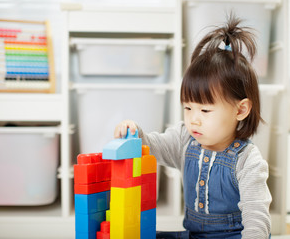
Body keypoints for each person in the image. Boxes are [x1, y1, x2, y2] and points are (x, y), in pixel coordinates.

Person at [114, 14, 272, 239]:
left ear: (240, 110)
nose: (193, 119)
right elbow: (152, 147)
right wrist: (134, 132)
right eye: (188, 108)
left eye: (205, 111)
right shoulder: (185, 139)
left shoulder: (248, 160)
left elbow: (257, 220)